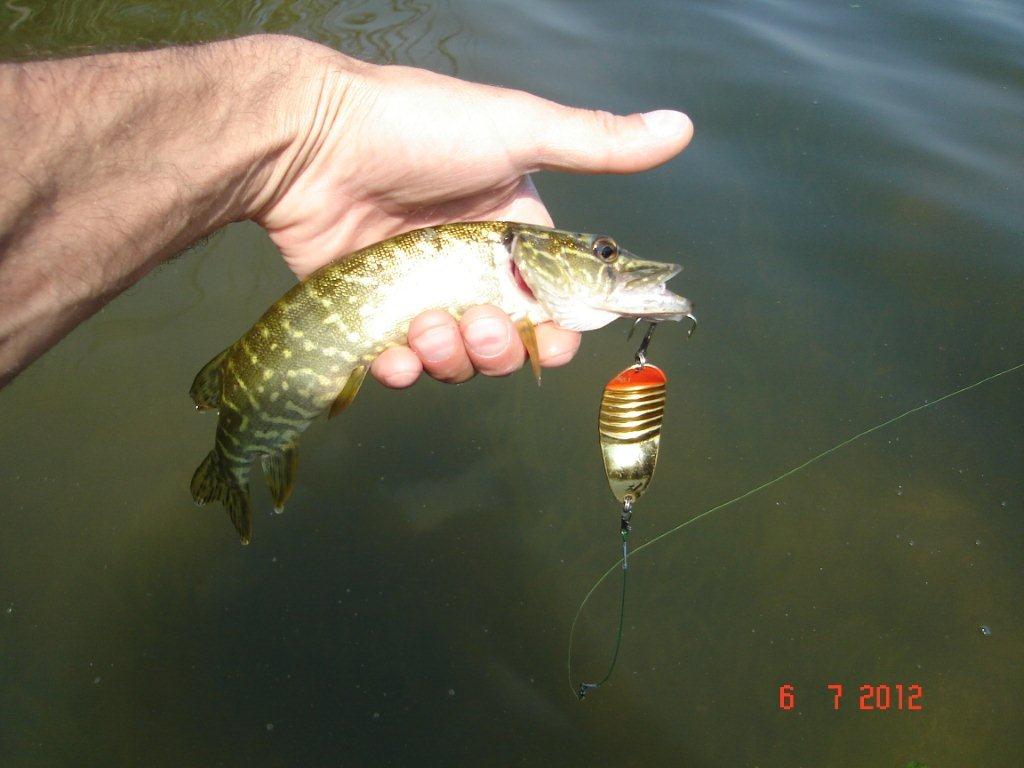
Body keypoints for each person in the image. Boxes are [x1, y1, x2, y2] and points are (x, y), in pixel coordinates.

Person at [0, 34, 692, 390]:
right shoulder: (502, 246)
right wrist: (311, 126)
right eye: (603, 254)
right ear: (530, 258)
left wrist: (305, 134)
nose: (614, 263)